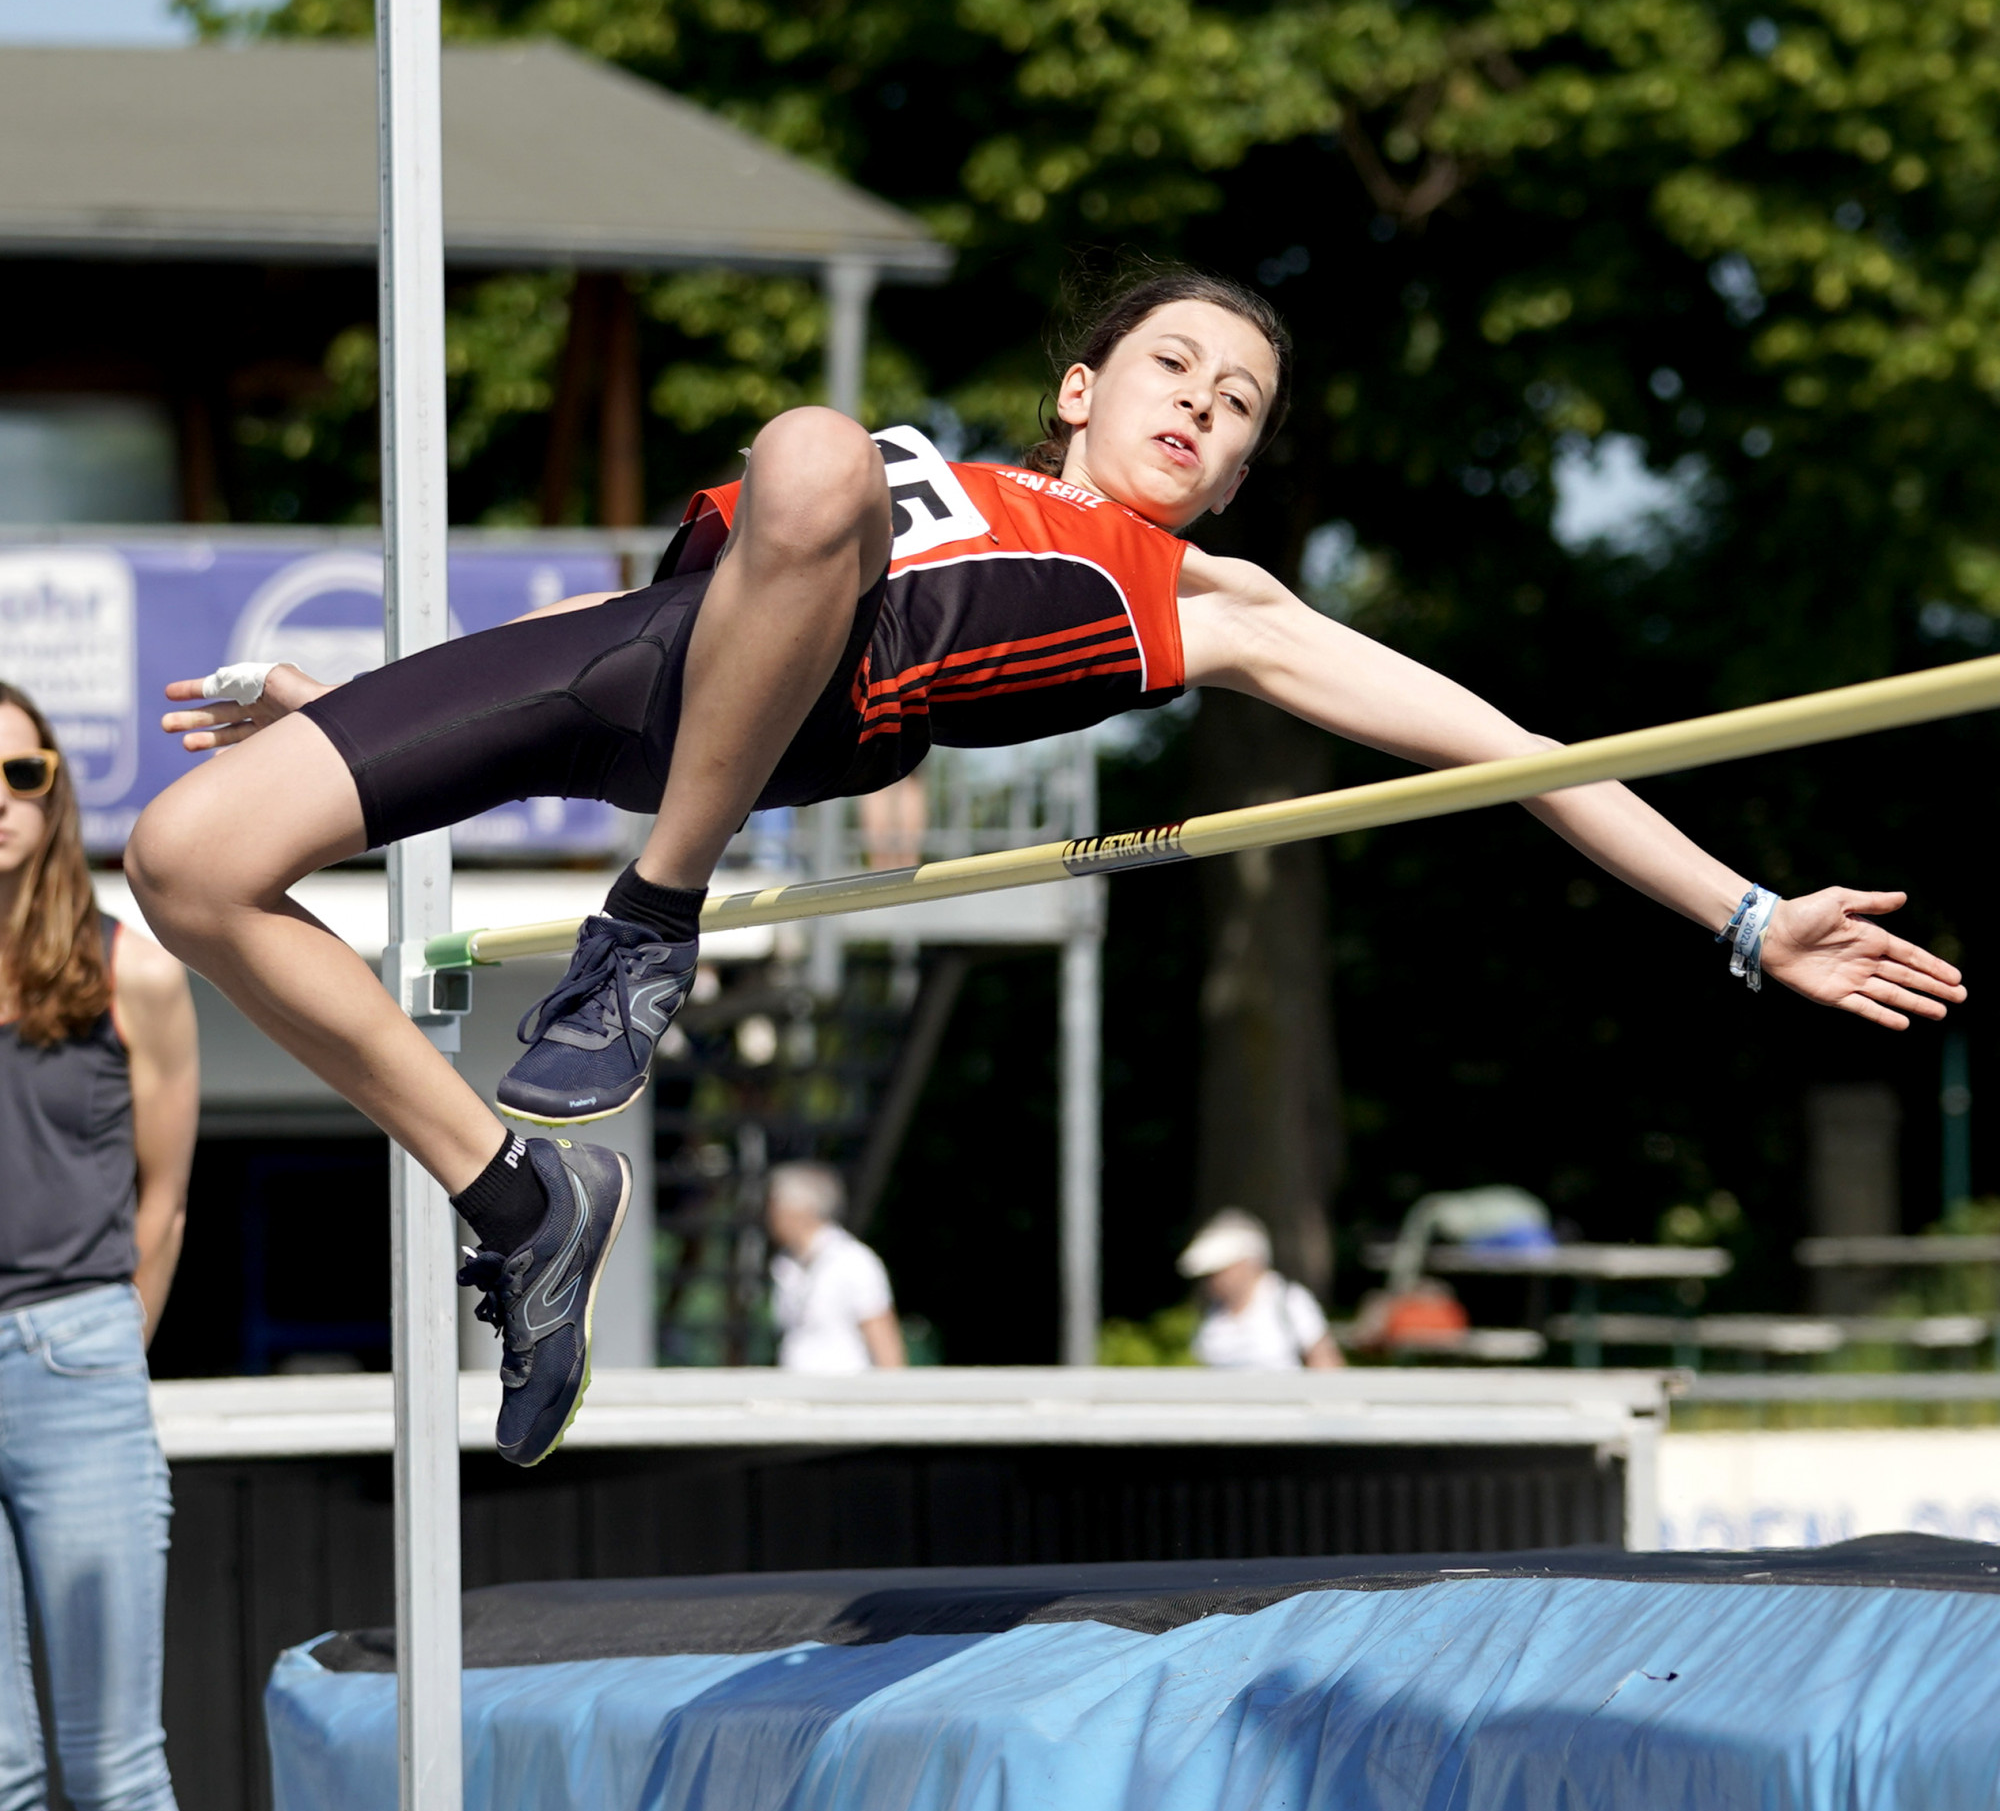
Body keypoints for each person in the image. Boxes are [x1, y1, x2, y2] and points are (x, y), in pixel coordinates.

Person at [126, 265, 1965, 1468]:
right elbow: (661, 624)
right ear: (1080, 390)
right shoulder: (951, 463)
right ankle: (519, 1207)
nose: (1204, 408)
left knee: (816, 449)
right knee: (194, 862)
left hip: (797, 701)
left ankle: (648, 929)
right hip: (640, 659)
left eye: (1239, 407)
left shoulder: (1216, 604)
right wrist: (342, 708)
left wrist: (1740, 913)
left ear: (1237, 477)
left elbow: (1518, 749)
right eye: (1177, 367)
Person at [0, 684, 200, 1811]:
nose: (2, 800)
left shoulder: (135, 967)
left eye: (23, 773)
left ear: (55, 787)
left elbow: (167, 1198)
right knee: (1, 1789)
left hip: (77, 1363)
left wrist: (110, 1356)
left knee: (115, 1772)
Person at [764, 1162, 907, 1372]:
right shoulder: (785, 1265)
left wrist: (895, 1398)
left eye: (775, 1206)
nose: (770, 1216)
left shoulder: (853, 1261)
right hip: (798, 1394)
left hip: (846, 1396)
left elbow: (883, 1338)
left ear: (800, 1210)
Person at [1177, 1209, 1342, 1371]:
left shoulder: (1288, 1300)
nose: (1214, 1280)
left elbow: (1325, 1362)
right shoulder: (1210, 1312)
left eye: (1221, 1270)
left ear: (1248, 1262)